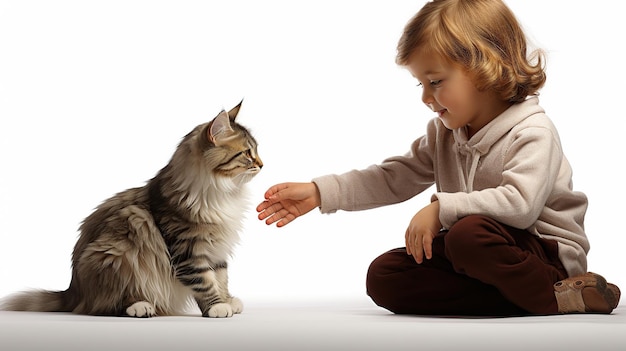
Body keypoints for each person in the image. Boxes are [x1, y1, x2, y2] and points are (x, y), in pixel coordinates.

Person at [256, 0, 620, 316]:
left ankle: (556, 293)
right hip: (477, 255)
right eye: (421, 84)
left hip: (541, 255)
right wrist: (322, 192)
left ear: (483, 68)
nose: (426, 98)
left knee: (467, 235)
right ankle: (524, 300)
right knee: (385, 276)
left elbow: (520, 205)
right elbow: (393, 176)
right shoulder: (444, 133)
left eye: (436, 81)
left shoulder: (532, 133)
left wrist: (439, 208)